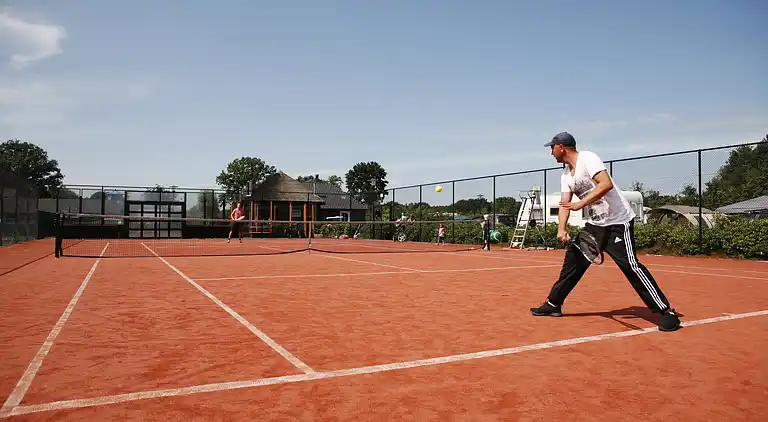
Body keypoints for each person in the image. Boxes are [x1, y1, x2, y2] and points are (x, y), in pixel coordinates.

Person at [530, 132, 681, 332]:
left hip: (618, 222)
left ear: (562, 147)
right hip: (595, 224)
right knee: (574, 259)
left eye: (552, 148)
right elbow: (565, 204)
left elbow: (606, 184)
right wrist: (561, 228)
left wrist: (581, 203)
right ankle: (553, 303)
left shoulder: (588, 158)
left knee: (630, 266)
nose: (551, 152)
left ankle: (667, 312)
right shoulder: (566, 175)